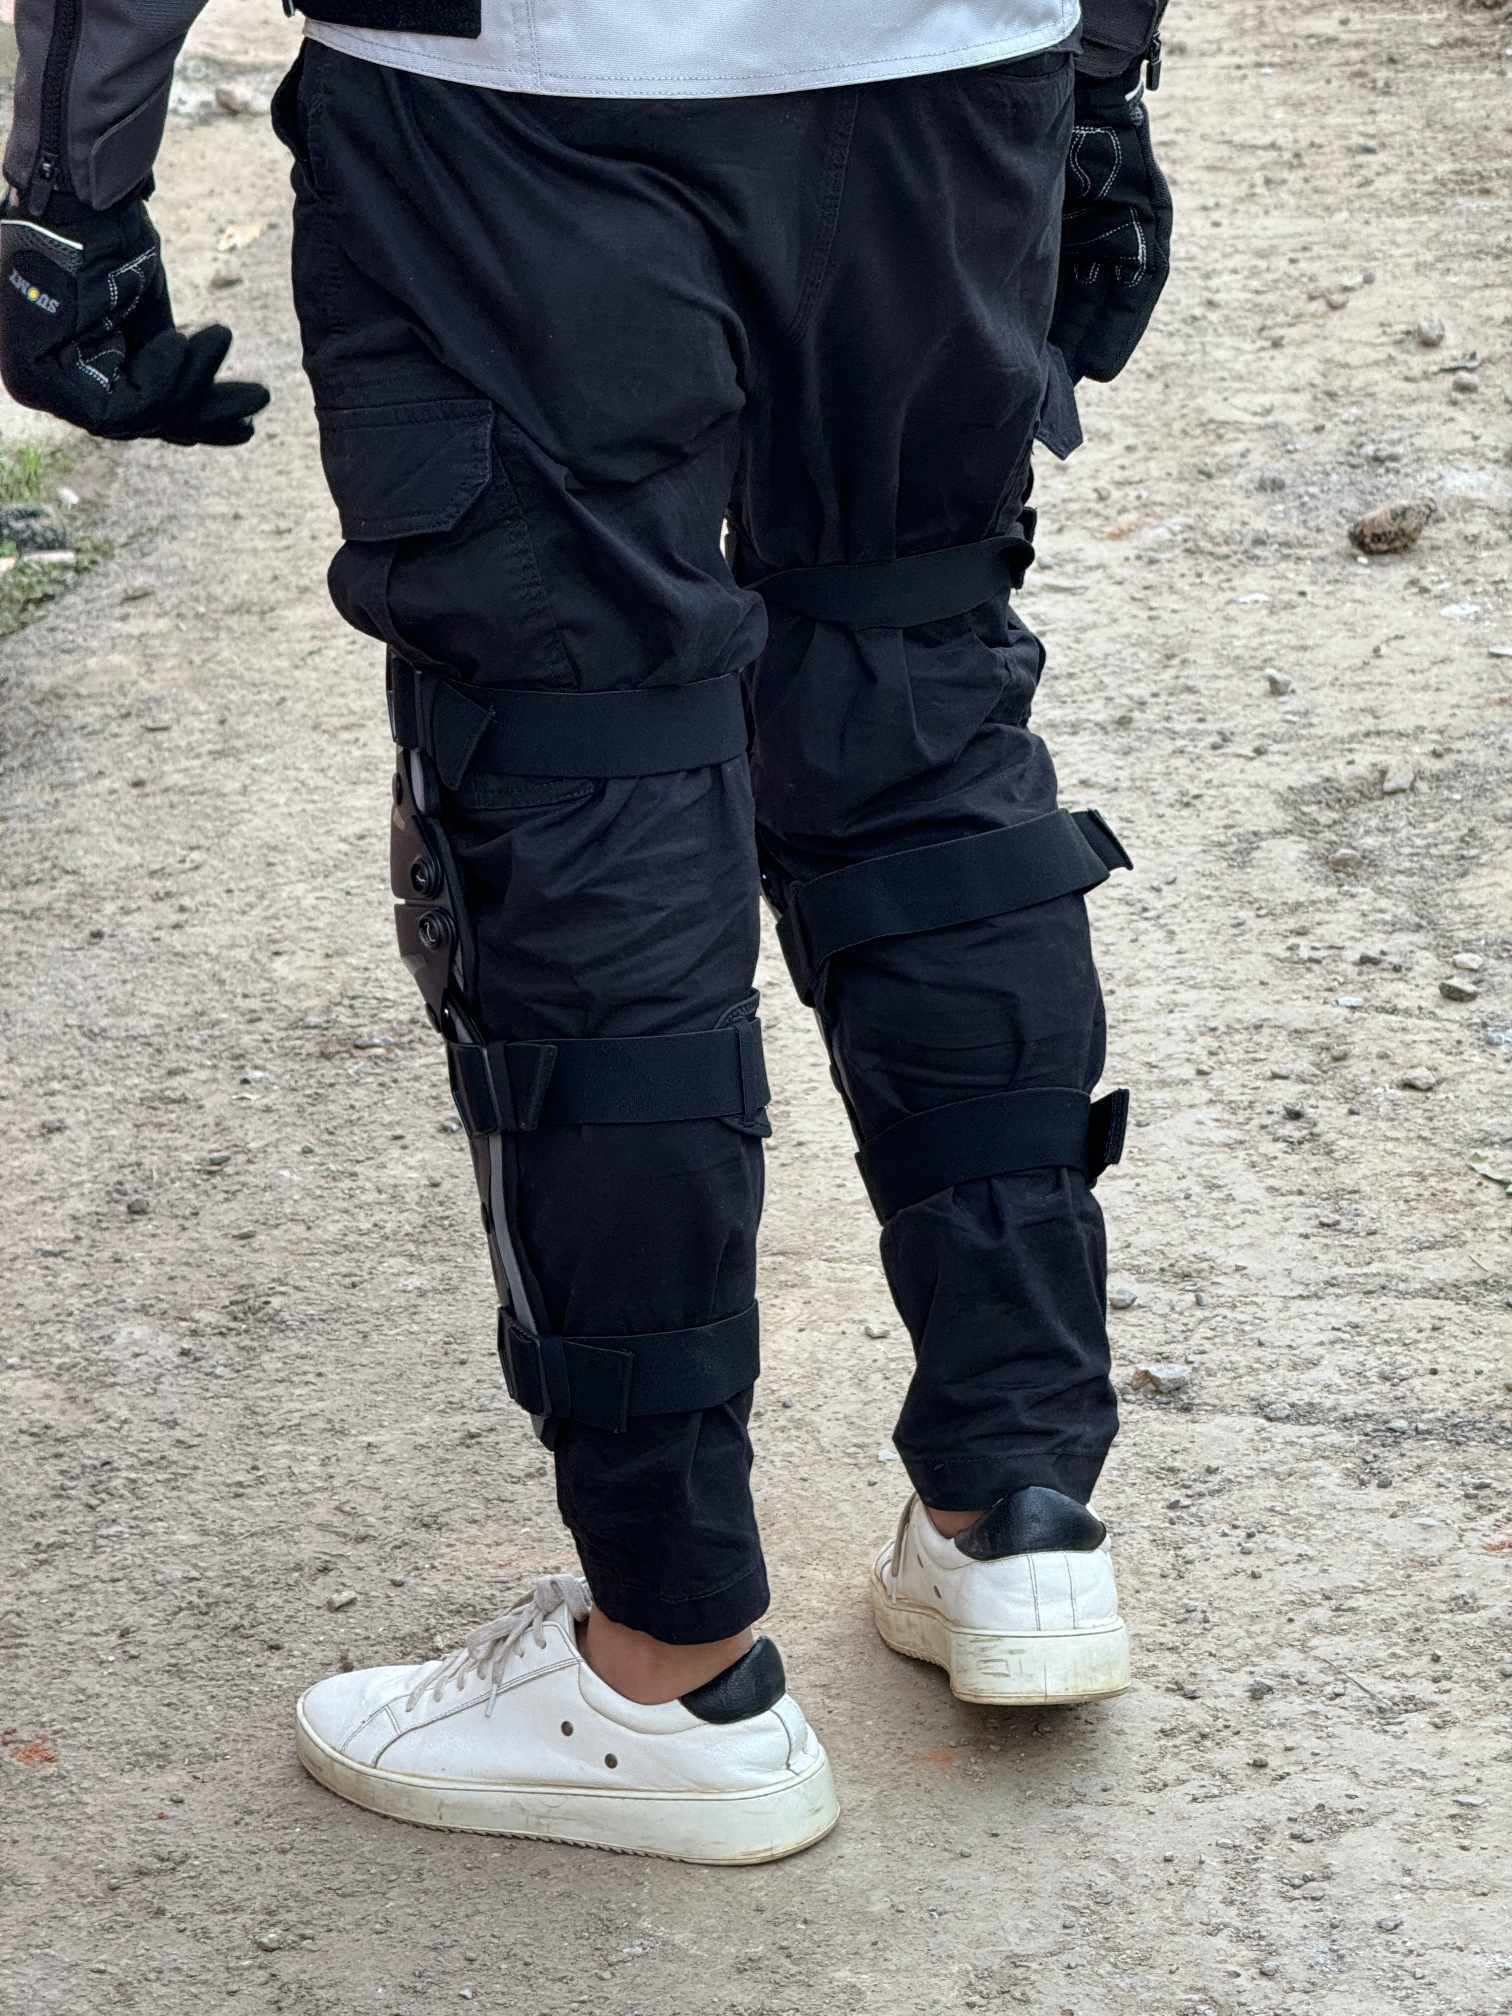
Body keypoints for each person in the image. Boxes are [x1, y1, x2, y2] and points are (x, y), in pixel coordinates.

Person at [2, 0, 1171, 1864]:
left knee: (577, 771)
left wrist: (70, 189)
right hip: (948, 69)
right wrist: (1099, 69)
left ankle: (669, 1664)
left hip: (518, 99)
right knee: (916, 691)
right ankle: (1015, 1515)